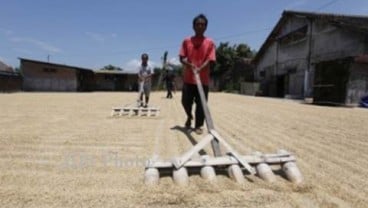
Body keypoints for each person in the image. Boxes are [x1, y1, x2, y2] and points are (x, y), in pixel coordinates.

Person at [179, 14, 216, 135]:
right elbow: (182, 58)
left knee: (201, 105)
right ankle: (189, 116)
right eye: (197, 24)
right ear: (193, 26)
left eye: (203, 24)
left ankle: (199, 125)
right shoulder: (186, 41)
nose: (200, 26)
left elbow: (210, 59)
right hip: (189, 79)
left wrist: (200, 68)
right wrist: (190, 65)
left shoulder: (210, 42)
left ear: (206, 27)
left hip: (203, 80)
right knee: (185, 102)